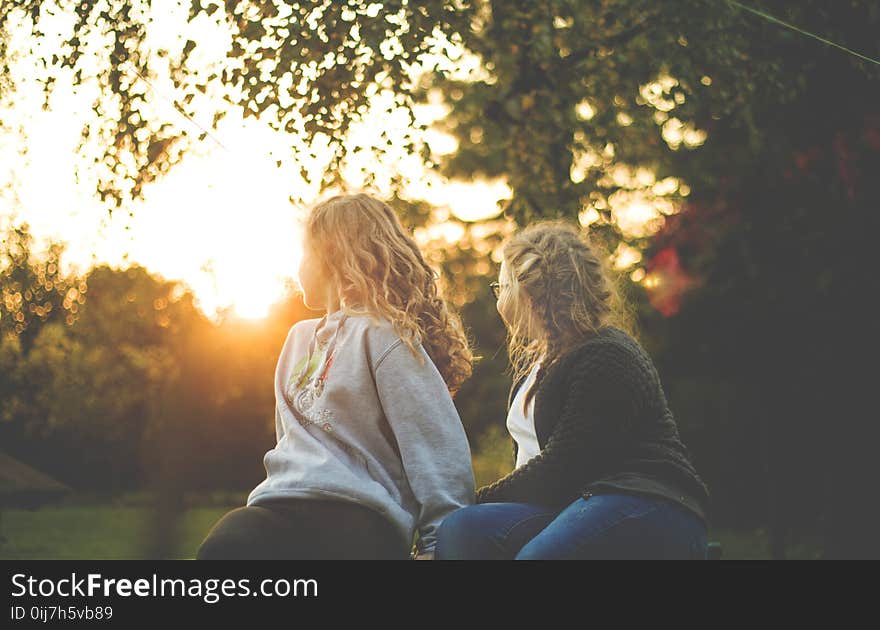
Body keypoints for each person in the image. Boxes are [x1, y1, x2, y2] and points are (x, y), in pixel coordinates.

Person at [197, 193, 475, 560]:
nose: (298, 265)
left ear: (330, 254)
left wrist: (437, 544)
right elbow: (293, 440)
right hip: (279, 504)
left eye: (304, 252)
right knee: (226, 546)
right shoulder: (297, 339)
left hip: (358, 514)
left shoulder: (384, 336)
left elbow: (436, 448)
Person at [435, 221, 711, 560]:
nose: (499, 299)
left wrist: (477, 497)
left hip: (648, 503)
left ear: (531, 293)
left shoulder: (607, 355)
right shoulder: (540, 361)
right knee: (462, 528)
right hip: (574, 503)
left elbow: (565, 466)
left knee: (540, 557)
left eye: (502, 287)